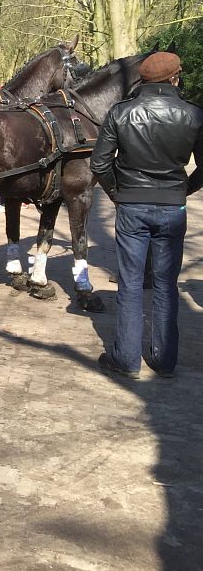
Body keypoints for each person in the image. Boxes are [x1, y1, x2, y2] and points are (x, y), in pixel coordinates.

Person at [90, 51, 203, 379]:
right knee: (167, 284)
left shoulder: (120, 113)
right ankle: (164, 359)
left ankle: (126, 359)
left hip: (131, 206)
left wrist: (117, 194)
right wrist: (184, 190)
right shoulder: (194, 114)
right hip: (172, 206)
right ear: (174, 77)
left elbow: (99, 164)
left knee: (131, 282)